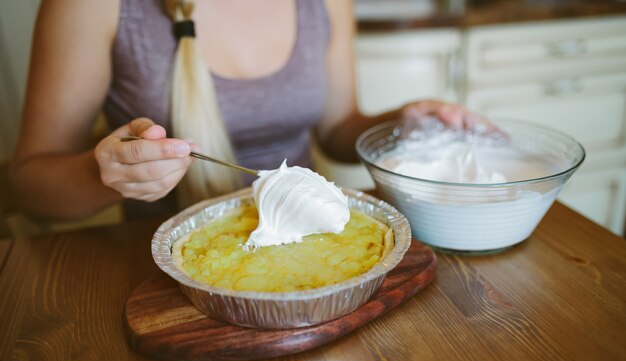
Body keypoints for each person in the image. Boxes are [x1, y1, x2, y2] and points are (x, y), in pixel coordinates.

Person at [10, 0, 480, 221]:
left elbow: (338, 129)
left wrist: (400, 124)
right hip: (165, 275)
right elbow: (30, 186)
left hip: (314, 241)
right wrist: (106, 175)